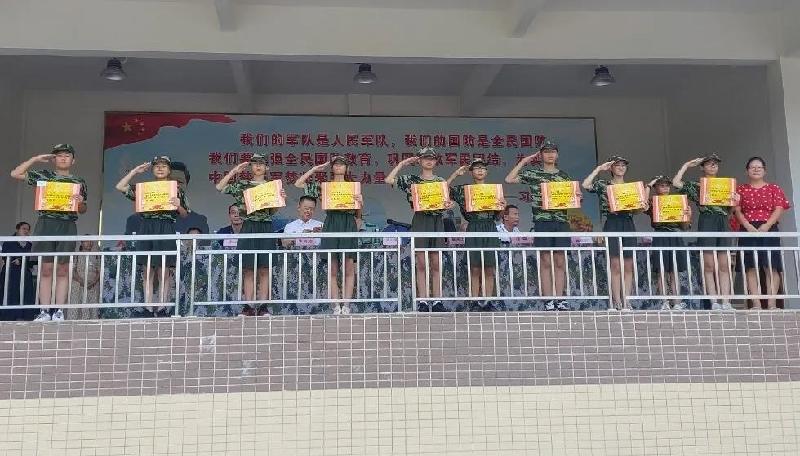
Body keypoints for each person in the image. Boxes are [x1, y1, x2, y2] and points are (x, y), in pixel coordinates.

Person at [10, 144, 88, 322]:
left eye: (67, 155)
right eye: (59, 155)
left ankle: (58, 311)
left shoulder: (79, 181)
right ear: (54, 159)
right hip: (46, 224)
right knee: (45, 269)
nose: (63, 158)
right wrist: (35, 159)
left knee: (63, 269)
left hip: (68, 225)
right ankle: (44, 311)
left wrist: (80, 202)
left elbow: (83, 209)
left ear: (73, 160)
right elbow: (15, 173)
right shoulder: (44, 176)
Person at [506, 141, 580, 311]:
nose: (550, 154)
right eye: (546, 152)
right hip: (542, 222)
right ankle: (548, 300)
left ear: (557, 154)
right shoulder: (534, 173)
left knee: (560, 261)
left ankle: (560, 299)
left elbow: (574, 196)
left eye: (553, 151)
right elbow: (509, 179)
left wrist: (577, 197)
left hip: (561, 222)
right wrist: (524, 162)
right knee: (545, 261)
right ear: (540, 155)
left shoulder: (564, 176)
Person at [115, 156, 188, 312]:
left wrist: (178, 205)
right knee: (147, 270)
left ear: (169, 170)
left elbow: (184, 214)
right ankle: (148, 306)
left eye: (164, 166)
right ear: (153, 169)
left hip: (166, 228)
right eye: (156, 166)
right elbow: (120, 186)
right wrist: (135, 171)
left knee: (163, 271)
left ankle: (162, 306)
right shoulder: (145, 188)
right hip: (147, 228)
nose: (160, 168)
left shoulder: (176, 189)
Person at [216, 153, 285, 316]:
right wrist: (234, 171)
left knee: (265, 269)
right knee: (248, 269)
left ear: (267, 167)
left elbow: (273, 211)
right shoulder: (243, 185)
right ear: (250, 167)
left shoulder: (271, 186)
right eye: (254, 163)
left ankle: (263, 306)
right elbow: (220, 187)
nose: (258, 166)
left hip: (266, 226)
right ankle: (248, 306)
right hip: (248, 226)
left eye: (261, 163)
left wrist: (280, 200)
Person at [386, 147, 453, 312]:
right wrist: (402, 164)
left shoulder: (440, 181)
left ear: (436, 161)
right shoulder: (412, 180)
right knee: (421, 263)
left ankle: (437, 301)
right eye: (425, 158)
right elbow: (389, 180)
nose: (429, 161)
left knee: (436, 262)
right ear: (419, 161)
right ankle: (422, 300)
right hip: (420, 219)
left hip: (437, 221)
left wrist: (449, 204)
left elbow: (446, 202)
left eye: (432, 158)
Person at [296, 156, 363, 314]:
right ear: (332, 168)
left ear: (347, 168)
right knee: (332, 268)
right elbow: (299, 183)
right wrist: (315, 169)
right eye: (336, 164)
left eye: (342, 164)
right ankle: (335, 305)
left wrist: (361, 202)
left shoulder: (353, 187)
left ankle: (346, 305)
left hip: (348, 223)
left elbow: (358, 214)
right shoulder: (325, 186)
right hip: (331, 222)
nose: (338, 167)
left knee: (348, 267)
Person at [672, 154, 736, 310]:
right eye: (709, 164)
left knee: (724, 264)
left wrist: (736, 201)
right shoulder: (698, 185)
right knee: (709, 264)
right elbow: (676, 183)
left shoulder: (726, 185)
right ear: (702, 167)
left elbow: (731, 211)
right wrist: (686, 165)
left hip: (722, 221)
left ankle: (726, 301)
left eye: (715, 164)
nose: (713, 166)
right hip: (707, 220)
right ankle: (714, 301)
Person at [582, 156, 641, 311]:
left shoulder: (632, 188)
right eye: (617, 165)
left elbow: (637, 210)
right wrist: (599, 169)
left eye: (623, 165)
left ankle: (626, 300)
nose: (621, 168)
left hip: (627, 223)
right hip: (612, 222)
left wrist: (642, 205)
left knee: (628, 264)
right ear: (611, 168)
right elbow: (586, 185)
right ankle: (616, 301)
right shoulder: (604, 185)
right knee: (615, 264)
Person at [733, 156, 790, 310]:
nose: (756, 169)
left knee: (771, 266)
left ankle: (772, 303)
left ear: (765, 171)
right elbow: (736, 210)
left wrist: (767, 225)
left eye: (759, 167)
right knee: (750, 266)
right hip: (747, 229)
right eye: (752, 167)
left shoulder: (774, 188)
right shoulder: (741, 189)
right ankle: (756, 303)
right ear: (747, 171)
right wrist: (747, 225)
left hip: (769, 228)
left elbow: (779, 208)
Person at [447, 158, 504, 310]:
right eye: (476, 168)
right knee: (475, 267)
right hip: (473, 226)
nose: (480, 170)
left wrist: (502, 207)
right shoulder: (464, 190)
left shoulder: (494, 190)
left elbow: (498, 217)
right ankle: (474, 301)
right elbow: (442, 190)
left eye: (482, 168)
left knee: (489, 267)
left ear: (487, 171)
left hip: (490, 227)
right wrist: (455, 175)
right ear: (471, 172)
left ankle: (487, 300)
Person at [645, 176, 691, 311]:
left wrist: (688, 215)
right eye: (661, 185)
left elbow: (685, 226)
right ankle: (664, 302)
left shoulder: (678, 201)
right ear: (656, 188)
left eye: (667, 185)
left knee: (674, 271)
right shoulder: (653, 202)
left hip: (675, 236)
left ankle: (676, 302)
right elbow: (642, 205)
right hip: (660, 236)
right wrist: (649, 185)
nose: (665, 188)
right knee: (662, 270)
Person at [0, 222, 36, 321]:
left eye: (28, 229)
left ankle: (24, 316)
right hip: (11, 273)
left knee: (25, 295)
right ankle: (9, 316)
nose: (26, 231)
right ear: (17, 229)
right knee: (10, 295)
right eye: (24, 229)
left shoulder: (29, 244)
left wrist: (20, 260)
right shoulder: (9, 242)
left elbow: (32, 259)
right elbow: (6, 257)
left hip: (24, 273)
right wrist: (19, 260)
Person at [67, 239, 101, 320]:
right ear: (81, 243)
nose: (89, 243)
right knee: (77, 304)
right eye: (87, 241)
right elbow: (72, 270)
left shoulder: (96, 256)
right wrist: (81, 281)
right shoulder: (76, 255)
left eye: (91, 241)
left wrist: (93, 281)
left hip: (92, 285)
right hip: (78, 284)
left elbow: (99, 271)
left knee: (92, 307)